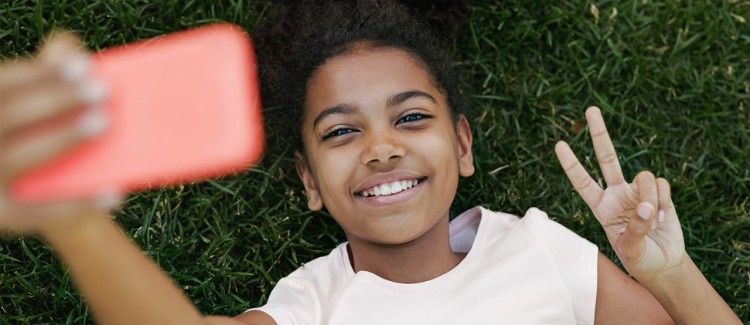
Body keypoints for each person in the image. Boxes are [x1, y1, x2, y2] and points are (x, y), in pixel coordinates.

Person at [0, 1, 741, 324]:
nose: (383, 146)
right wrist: (79, 225)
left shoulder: (539, 248)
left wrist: (670, 272)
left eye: (411, 118)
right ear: (308, 182)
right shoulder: (313, 303)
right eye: (341, 132)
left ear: (463, 145)